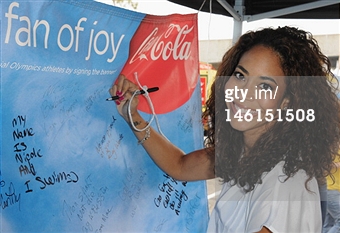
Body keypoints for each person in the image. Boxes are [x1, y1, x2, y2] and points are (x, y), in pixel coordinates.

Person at [110, 26, 340, 232]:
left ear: (287, 102)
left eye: (265, 86)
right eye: (240, 76)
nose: (243, 93)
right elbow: (179, 165)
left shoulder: (284, 182)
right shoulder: (248, 153)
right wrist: (132, 116)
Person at [323, 154, 340, 233]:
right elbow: (324, 164)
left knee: (328, 223)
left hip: (334, 190)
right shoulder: (330, 147)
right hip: (331, 189)